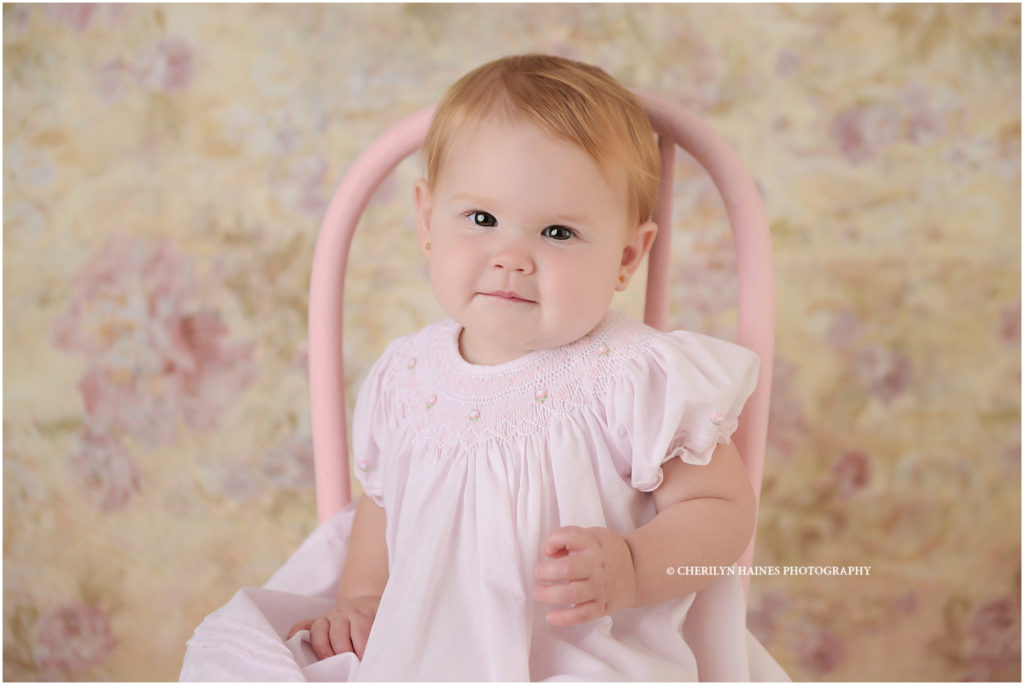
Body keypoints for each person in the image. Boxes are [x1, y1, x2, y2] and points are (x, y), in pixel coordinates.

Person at [181, 53, 789, 681]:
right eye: (481, 220)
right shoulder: (408, 374)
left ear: (627, 256)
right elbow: (383, 503)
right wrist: (362, 596)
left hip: (575, 653)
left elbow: (721, 508)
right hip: (422, 651)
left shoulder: (632, 375)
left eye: (557, 232)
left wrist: (633, 565)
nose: (511, 258)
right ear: (426, 219)